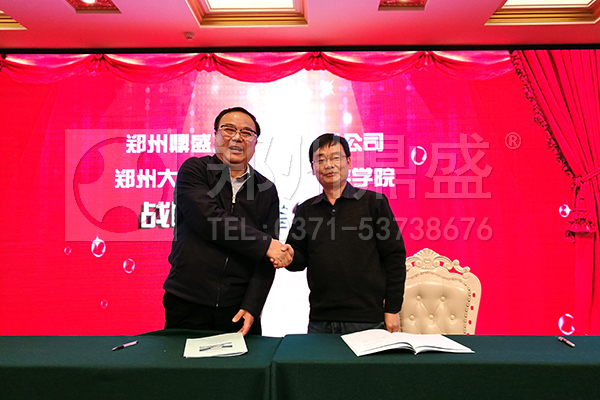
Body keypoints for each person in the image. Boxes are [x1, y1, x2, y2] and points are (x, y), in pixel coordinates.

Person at [163, 107, 292, 336]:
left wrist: (253, 306)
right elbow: (209, 220)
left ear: (255, 142)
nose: (237, 137)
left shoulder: (266, 190)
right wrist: (266, 244)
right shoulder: (194, 170)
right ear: (215, 135)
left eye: (246, 133)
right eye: (229, 129)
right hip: (187, 301)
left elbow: (267, 259)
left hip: (238, 309)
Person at [284, 134, 406, 334]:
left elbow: (394, 257)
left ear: (348, 162)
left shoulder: (373, 203)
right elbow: (298, 260)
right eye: (321, 160)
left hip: (366, 319)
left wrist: (392, 309)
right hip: (321, 320)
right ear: (313, 167)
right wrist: (287, 256)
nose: (328, 165)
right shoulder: (306, 210)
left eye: (335, 157)